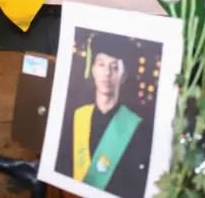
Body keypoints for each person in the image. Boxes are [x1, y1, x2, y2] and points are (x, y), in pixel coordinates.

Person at [57, 32, 145, 196]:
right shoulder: (78, 117)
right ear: (93, 70)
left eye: (114, 67)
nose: (107, 73)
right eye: (101, 64)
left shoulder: (135, 128)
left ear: (123, 76)